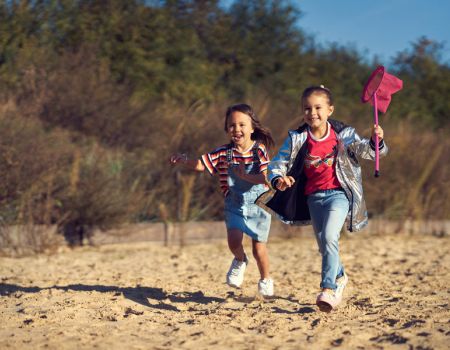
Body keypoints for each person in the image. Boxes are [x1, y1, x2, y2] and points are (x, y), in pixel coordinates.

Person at [256, 85, 387, 311]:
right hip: (313, 198)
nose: (312, 113)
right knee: (324, 245)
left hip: (339, 195)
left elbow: (369, 152)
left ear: (330, 110)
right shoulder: (297, 138)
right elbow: (278, 163)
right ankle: (341, 275)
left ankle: (328, 289)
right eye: (307, 108)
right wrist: (279, 179)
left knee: (329, 236)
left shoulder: (343, 135)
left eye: (318, 107)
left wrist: (376, 141)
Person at [170, 103, 276, 297]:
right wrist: (185, 160)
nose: (237, 129)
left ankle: (265, 279)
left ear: (252, 128)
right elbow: (202, 165)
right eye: (232, 125)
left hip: (259, 205)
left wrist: (246, 177)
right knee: (233, 241)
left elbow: (265, 178)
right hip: (234, 204)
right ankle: (240, 260)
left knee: (259, 249)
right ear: (227, 129)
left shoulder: (258, 151)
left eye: (242, 125)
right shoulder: (222, 152)